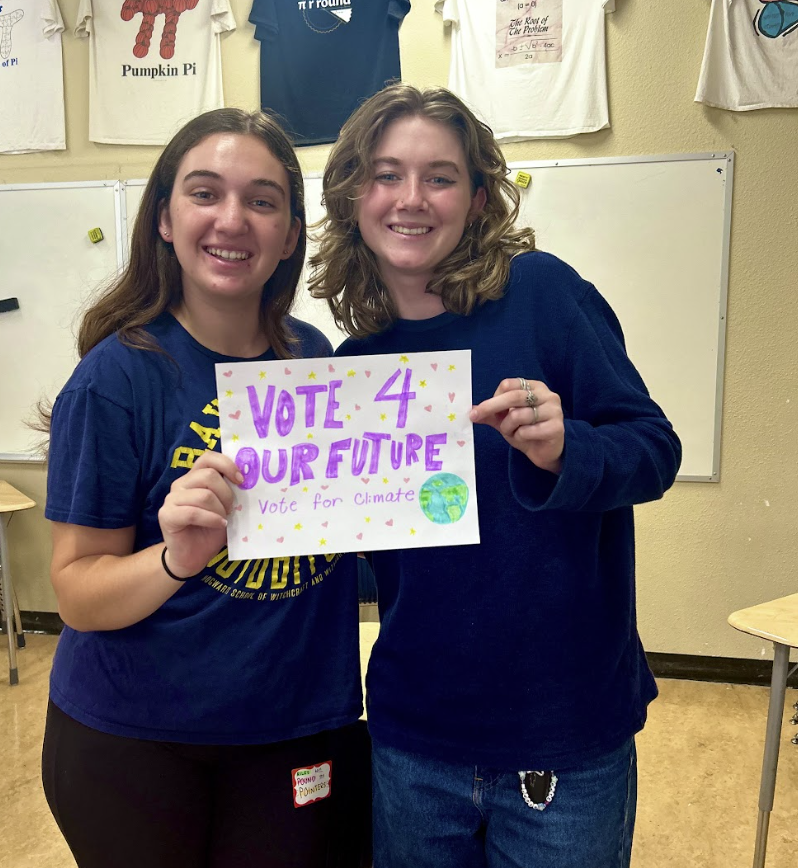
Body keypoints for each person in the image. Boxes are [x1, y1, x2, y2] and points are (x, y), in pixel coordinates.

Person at [309, 84, 682, 868]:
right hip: (416, 735)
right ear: (352, 194)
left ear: (478, 200)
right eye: (386, 174)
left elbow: (654, 449)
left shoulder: (541, 294)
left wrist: (566, 448)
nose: (411, 199)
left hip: (564, 735)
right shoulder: (353, 371)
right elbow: (369, 563)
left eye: (439, 177)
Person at [40, 108, 369, 868]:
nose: (233, 220)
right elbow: (77, 592)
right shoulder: (117, 380)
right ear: (164, 217)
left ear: (290, 234)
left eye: (262, 200)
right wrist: (174, 558)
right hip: (139, 743)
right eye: (205, 193)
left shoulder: (314, 360)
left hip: (296, 727)